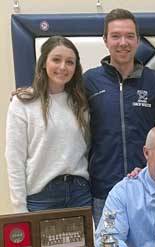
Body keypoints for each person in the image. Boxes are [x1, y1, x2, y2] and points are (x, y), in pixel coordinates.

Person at [84, 8, 155, 224]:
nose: (123, 42)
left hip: (148, 188)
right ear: (105, 40)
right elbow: (57, 99)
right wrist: (28, 93)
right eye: (115, 36)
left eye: (129, 36)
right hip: (103, 191)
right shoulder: (88, 82)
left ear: (138, 40)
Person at [5, 36, 91, 213]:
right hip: (41, 197)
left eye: (70, 62)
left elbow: (88, 149)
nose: (62, 67)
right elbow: (15, 159)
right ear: (44, 62)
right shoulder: (22, 103)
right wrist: (19, 208)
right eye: (56, 59)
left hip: (80, 193)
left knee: (87, 243)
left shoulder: (80, 103)